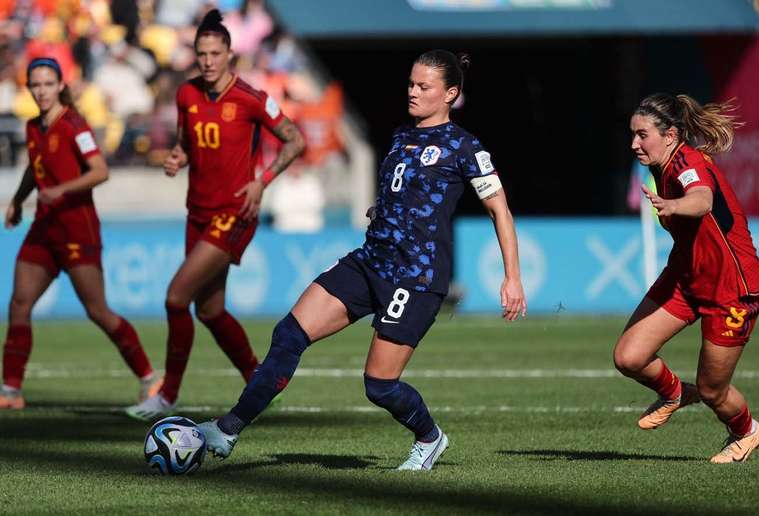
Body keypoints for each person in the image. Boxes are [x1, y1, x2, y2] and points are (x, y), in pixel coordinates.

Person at [197, 50, 528, 471]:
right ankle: (227, 428)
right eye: (411, 83)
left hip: (416, 277)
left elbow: (500, 209)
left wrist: (512, 277)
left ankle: (429, 437)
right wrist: (382, 211)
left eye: (424, 87)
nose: (412, 92)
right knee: (289, 334)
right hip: (370, 262)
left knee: (379, 385)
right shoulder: (399, 136)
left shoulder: (465, 147)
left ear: (450, 93)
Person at [125, 10, 305, 420]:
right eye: (201, 53)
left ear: (229, 54)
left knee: (176, 297)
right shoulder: (186, 94)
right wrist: (177, 157)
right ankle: (261, 380)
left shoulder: (250, 98)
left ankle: (166, 394)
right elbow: (188, 144)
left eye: (215, 53)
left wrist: (263, 180)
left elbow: (293, 139)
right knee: (209, 311)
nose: (207, 61)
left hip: (234, 212)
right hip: (198, 213)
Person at [614, 93, 759, 463]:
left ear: (669, 135)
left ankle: (746, 432)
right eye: (633, 134)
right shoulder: (660, 164)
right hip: (686, 276)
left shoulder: (686, 160)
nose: (634, 143)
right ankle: (675, 393)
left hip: (730, 288)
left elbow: (702, 199)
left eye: (642, 135)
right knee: (629, 357)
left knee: (714, 391)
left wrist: (674, 205)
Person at [1, 57, 160, 409]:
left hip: (77, 227)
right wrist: (17, 200)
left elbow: (101, 171)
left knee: (98, 310)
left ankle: (150, 378)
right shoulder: (32, 127)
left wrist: (62, 190)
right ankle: (10, 390)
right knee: (20, 303)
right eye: (35, 84)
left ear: (60, 85)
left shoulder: (75, 125)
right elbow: (34, 167)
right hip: (44, 227)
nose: (41, 90)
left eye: (47, 83)